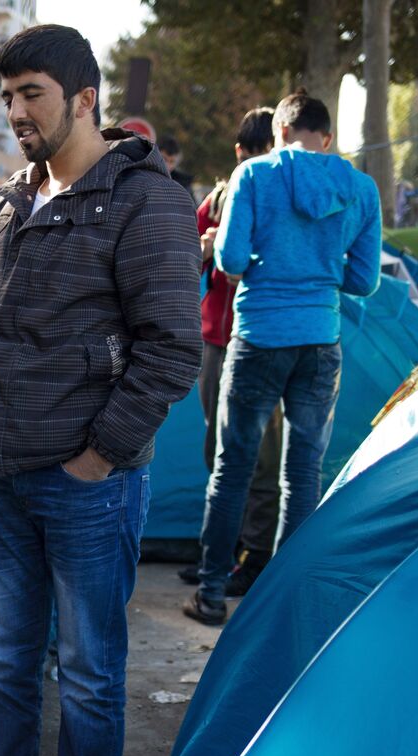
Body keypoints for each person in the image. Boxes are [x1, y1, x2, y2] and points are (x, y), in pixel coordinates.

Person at [0, 25, 201, 756]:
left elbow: (171, 351)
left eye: (31, 94)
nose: (14, 113)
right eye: (6, 97)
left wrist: (98, 458)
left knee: (88, 671)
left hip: (89, 485)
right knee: (1, 662)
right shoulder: (8, 202)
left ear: (85, 99)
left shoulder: (142, 199)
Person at [185, 91, 381, 627]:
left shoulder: (253, 177)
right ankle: (285, 601)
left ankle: (210, 593)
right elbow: (364, 279)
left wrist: (270, 266)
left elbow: (227, 260)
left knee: (232, 467)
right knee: (303, 473)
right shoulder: (361, 188)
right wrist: (317, 272)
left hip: (258, 338)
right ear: (328, 137)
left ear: (279, 134)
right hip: (320, 342)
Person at [181, 106, 283, 598]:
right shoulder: (218, 200)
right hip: (214, 340)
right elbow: (182, 255)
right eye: (255, 155)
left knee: (262, 456)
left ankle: (256, 556)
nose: (263, 164)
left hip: (263, 341)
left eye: (271, 154)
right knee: (216, 449)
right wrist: (203, 248)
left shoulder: (281, 200)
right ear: (240, 155)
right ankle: (220, 549)